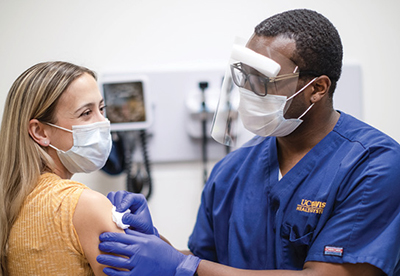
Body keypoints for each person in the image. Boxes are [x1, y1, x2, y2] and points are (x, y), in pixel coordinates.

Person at [96, 9, 400, 276]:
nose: (248, 91)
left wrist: (182, 266)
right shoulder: (231, 171)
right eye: (244, 76)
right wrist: (153, 244)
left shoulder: (375, 166)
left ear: (317, 88)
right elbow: (207, 264)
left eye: (263, 81)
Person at [0, 61, 125, 275]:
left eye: (101, 109)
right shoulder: (84, 206)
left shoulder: (10, 203)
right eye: (86, 113)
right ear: (40, 132)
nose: (102, 122)